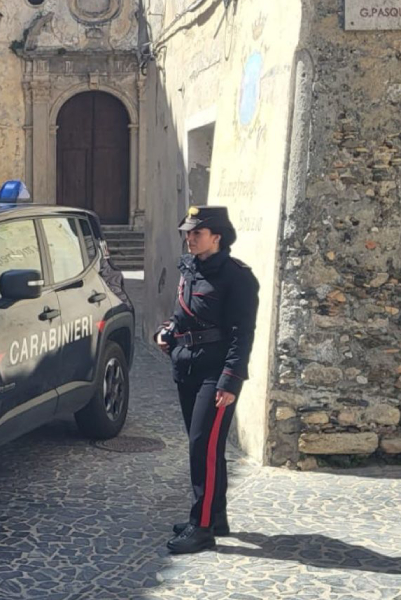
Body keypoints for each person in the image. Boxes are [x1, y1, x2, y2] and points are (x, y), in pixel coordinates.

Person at [155, 206, 259, 554]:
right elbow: (181, 312)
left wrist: (230, 381)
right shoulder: (190, 268)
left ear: (217, 236)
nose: (190, 237)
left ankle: (202, 528)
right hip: (188, 367)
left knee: (204, 445)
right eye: (188, 232)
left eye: (196, 233)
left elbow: (242, 334)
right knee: (204, 446)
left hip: (216, 374)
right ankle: (215, 515)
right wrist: (167, 332)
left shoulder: (237, 277)